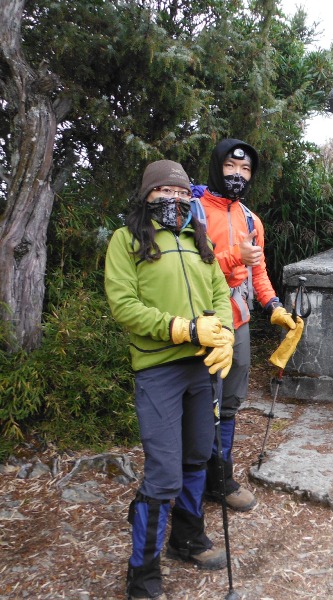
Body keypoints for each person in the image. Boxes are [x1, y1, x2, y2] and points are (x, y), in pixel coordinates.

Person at [104, 159, 235, 599]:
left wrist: (223, 335)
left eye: (181, 193)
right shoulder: (126, 242)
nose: (173, 199)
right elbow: (123, 304)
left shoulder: (198, 240)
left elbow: (220, 289)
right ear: (147, 196)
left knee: (198, 457)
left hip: (202, 366)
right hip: (158, 369)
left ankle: (187, 539)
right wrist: (180, 327)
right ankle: (141, 573)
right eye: (163, 192)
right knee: (163, 474)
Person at [193, 138, 296, 512]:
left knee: (231, 404)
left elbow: (258, 270)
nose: (238, 175)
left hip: (239, 320)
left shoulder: (251, 219)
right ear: (217, 166)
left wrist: (274, 304)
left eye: (246, 170)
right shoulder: (193, 211)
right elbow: (190, 271)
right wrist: (236, 254)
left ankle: (221, 480)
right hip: (201, 322)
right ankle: (193, 482)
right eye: (231, 167)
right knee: (203, 403)